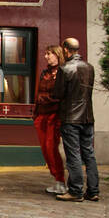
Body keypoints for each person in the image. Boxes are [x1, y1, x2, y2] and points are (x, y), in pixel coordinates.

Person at [52, 37, 99, 202]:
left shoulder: (65, 69)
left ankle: (76, 190)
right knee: (89, 154)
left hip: (71, 117)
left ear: (65, 49)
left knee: (73, 155)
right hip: (88, 117)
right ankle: (93, 191)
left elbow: (57, 94)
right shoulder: (90, 68)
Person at [33, 45, 67, 195]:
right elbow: (38, 93)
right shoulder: (45, 73)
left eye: (49, 54)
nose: (46, 57)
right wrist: (36, 114)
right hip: (42, 115)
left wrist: (45, 99)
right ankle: (57, 180)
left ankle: (60, 180)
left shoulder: (62, 72)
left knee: (51, 147)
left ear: (57, 55)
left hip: (54, 115)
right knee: (45, 149)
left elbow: (60, 96)